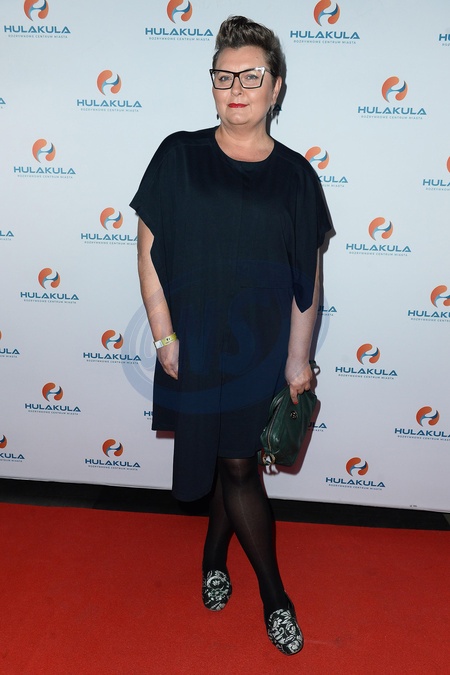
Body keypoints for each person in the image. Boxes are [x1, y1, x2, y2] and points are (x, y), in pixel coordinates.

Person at [131, 15, 332, 656]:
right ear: (212, 85)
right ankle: (219, 561)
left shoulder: (297, 176)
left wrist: (298, 360)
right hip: (195, 340)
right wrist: (163, 337)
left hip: (261, 348)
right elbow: (148, 251)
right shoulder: (179, 155)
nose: (236, 88)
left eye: (251, 76)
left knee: (239, 461)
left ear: (276, 87)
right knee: (228, 456)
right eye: (224, 76)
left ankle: (271, 594)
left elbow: (307, 277)